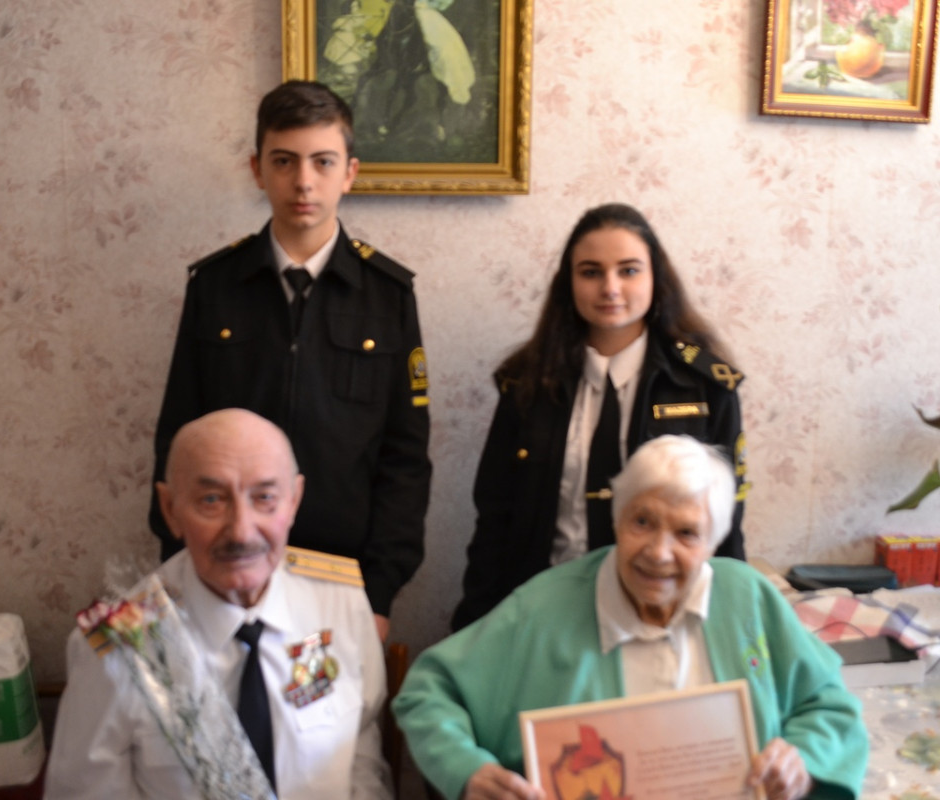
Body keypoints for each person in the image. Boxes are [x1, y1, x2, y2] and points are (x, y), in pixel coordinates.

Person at [395, 436, 867, 800]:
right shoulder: (541, 607)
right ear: (617, 520)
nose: (659, 552)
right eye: (642, 521)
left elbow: (828, 703)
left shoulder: (748, 597)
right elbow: (427, 692)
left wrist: (802, 761)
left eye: (686, 533)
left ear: (712, 543)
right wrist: (468, 771)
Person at [150, 80, 431, 641]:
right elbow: (176, 439)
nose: (304, 181)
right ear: (258, 170)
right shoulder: (215, 286)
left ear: (350, 172)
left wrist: (379, 592)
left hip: (343, 579)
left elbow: (404, 458)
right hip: (225, 567)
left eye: (323, 162)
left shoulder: (388, 296)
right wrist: (179, 565)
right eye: (284, 161)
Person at [47, 409, 392, 799]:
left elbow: (362, 746)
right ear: (170, 509)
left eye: (265, 498)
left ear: (294, 501)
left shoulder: (342, 603)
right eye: (212, 500)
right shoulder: (122, 645)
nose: (241, 532)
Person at [452, 203, 747, 630]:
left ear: (655, 278)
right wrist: (476, 628)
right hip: (545, 611)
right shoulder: (526, 384)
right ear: (569, 283)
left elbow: (726, 524)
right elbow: (494, 519)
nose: (610, 288)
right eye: (591, 272)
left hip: (662, 616)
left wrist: (729, 629)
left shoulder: (706, 388)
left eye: (628, 271)